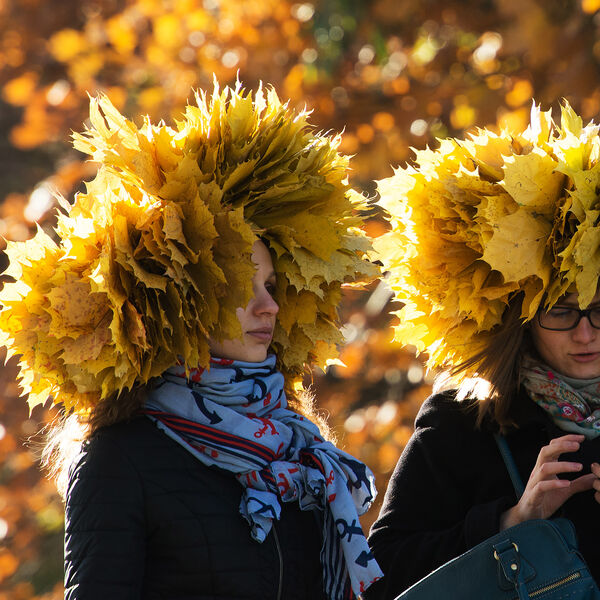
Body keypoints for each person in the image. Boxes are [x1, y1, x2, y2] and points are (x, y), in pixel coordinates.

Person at [0, 82, 383, 599]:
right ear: (186, 299)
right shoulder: (119, 460)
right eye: (240, 288)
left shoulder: (301, 455)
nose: (268, 306)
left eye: (271, 286)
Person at [365, 102, 600, 599]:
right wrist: (513, 520)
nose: (585, 334)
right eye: (561, 311)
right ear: (523, 319)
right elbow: (380, 572)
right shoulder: (464, 420)